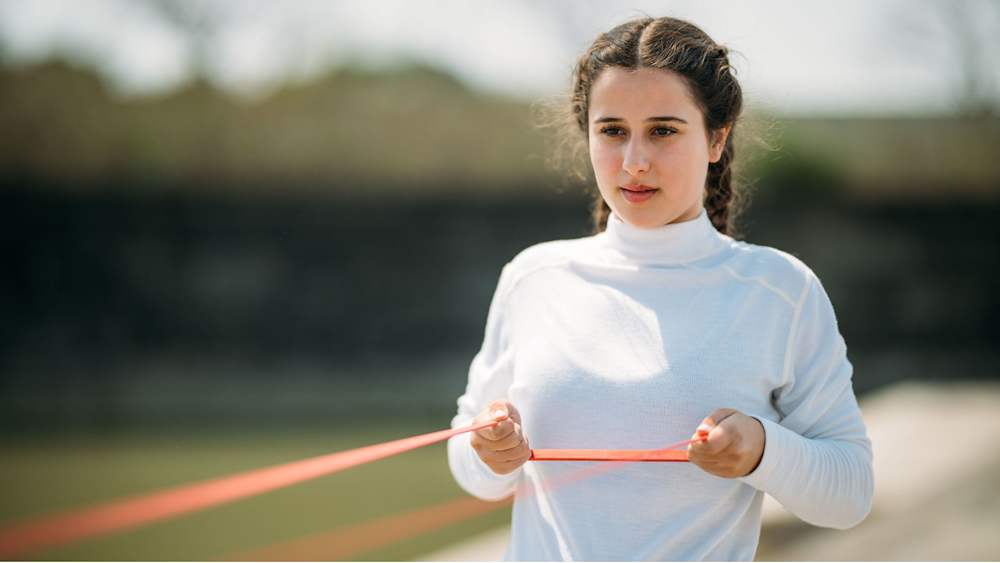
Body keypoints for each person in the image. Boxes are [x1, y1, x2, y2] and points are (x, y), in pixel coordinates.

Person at [447, 15, 873, 561]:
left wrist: (763, 449)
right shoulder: (533, 278)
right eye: (613, 131)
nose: (634, 162)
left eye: (663, 130)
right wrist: (491, 451)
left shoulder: (781, 291)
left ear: (716, 138)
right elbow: (472, 468)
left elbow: (851, 493)